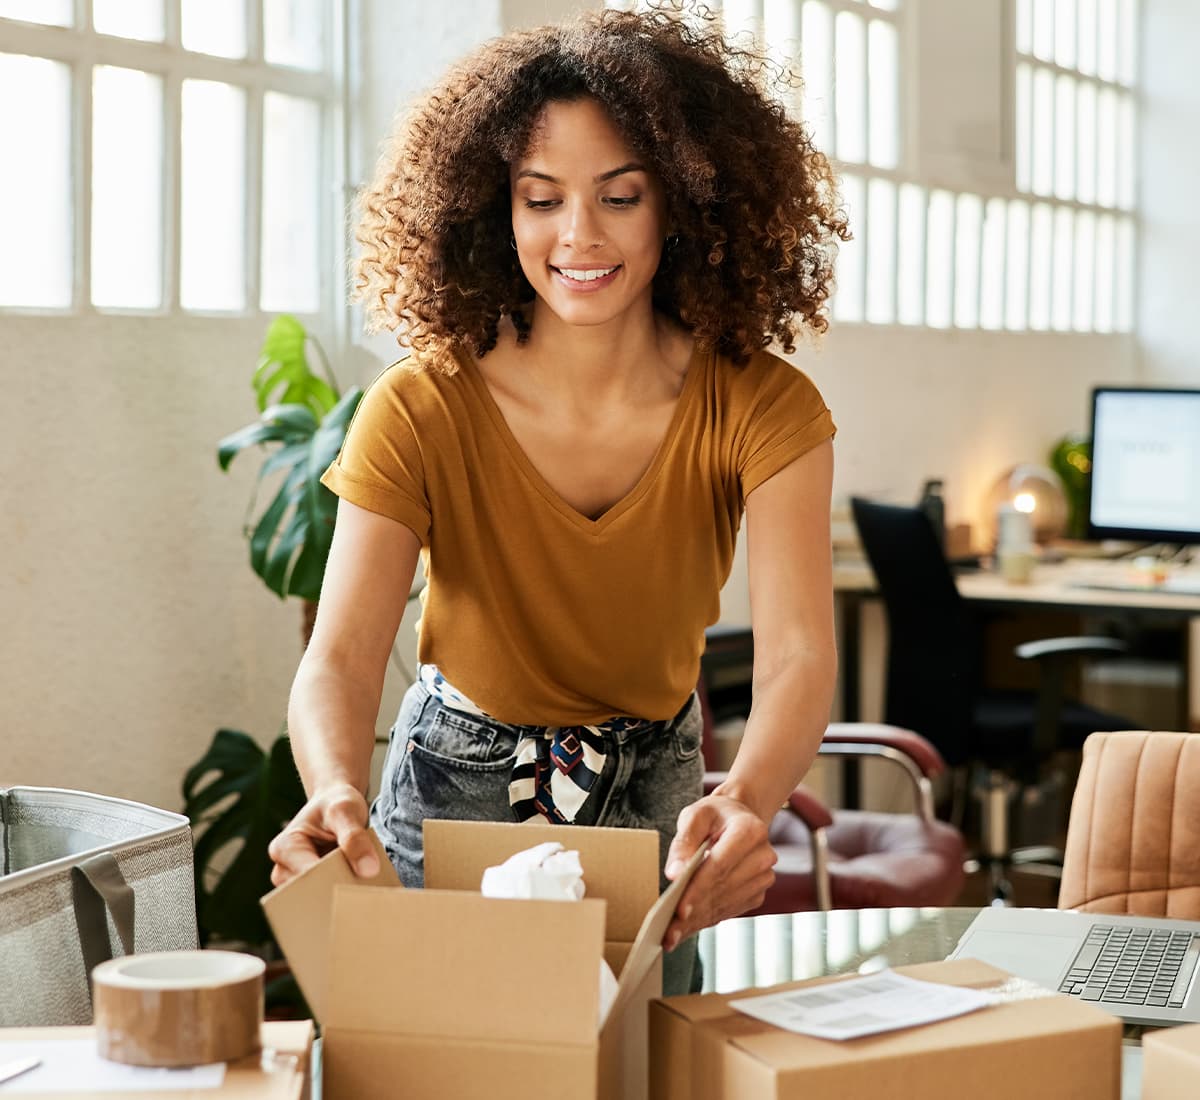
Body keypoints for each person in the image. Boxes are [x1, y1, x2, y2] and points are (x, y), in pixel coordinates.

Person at [267, 4, 848, 996]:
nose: (579, 235)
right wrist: (333, 789)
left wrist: (749, 794)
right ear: (495, 208)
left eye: (620, 196)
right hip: (448, 792)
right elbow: (344, 654)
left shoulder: (762, 405)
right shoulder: (421, 403)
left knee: (642, 1069)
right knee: (443, 1061)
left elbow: (798, 652)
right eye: (541, 199)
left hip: (658, 801)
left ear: (685, 202)